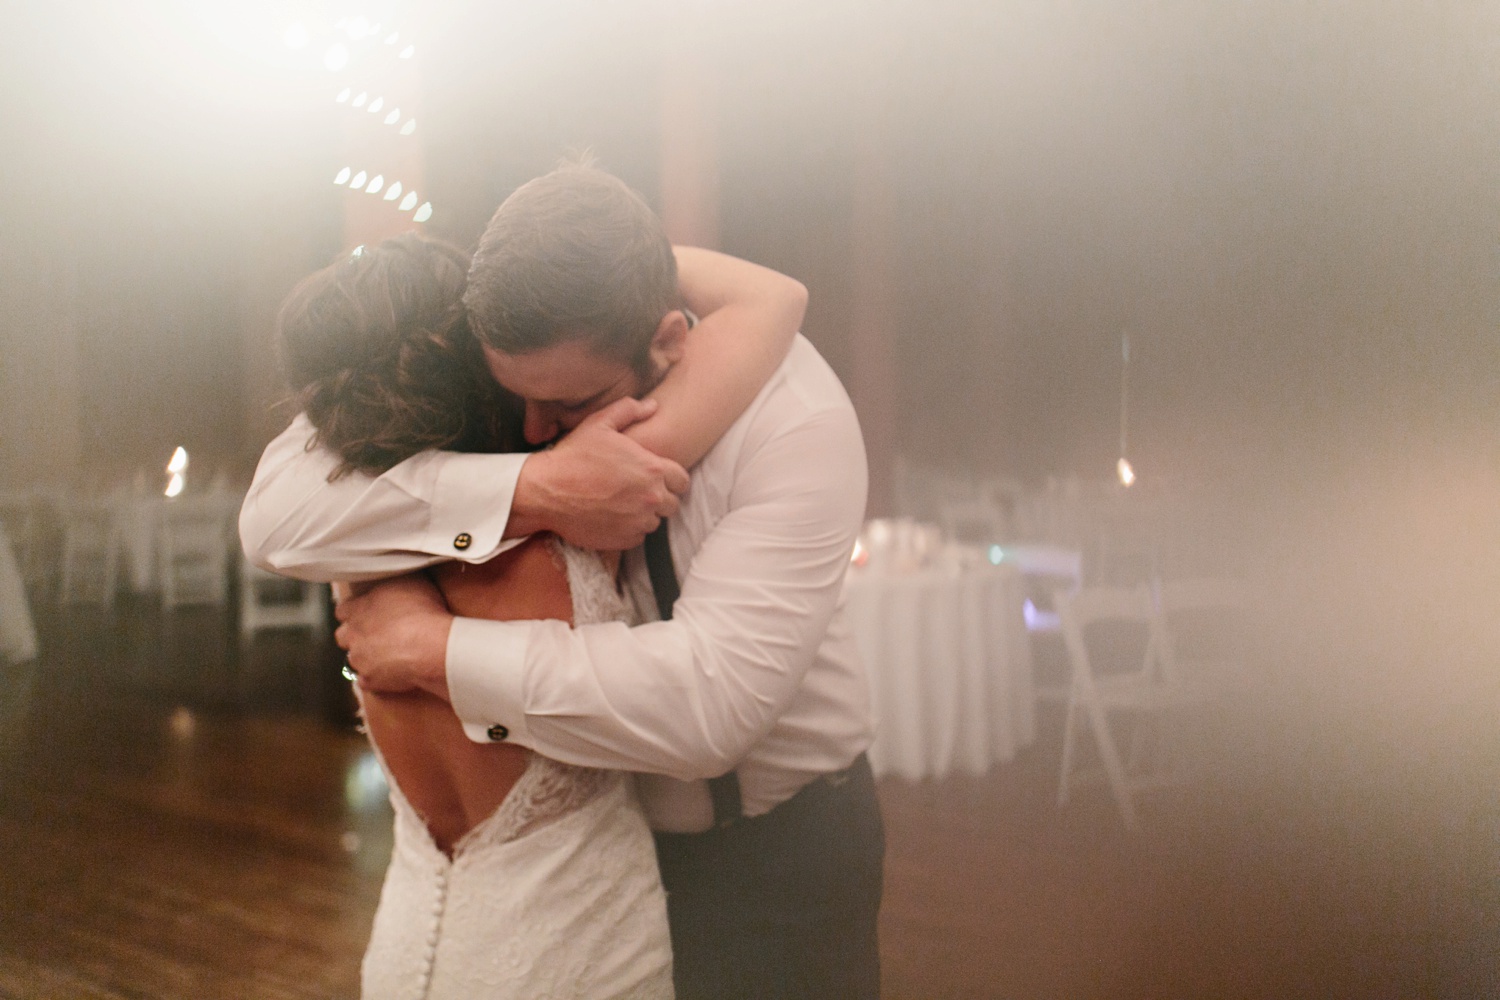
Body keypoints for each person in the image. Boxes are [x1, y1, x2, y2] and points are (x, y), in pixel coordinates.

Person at [242, 164, 883, 1000]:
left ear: (664, 342)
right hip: (602, 861)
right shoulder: (519, 357)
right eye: (519, 401)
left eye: (572, 405)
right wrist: (533, 491)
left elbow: (708, 709)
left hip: (776, 858)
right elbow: (273, 517)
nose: (535, 430)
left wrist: (438, 650)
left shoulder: (794, 416)